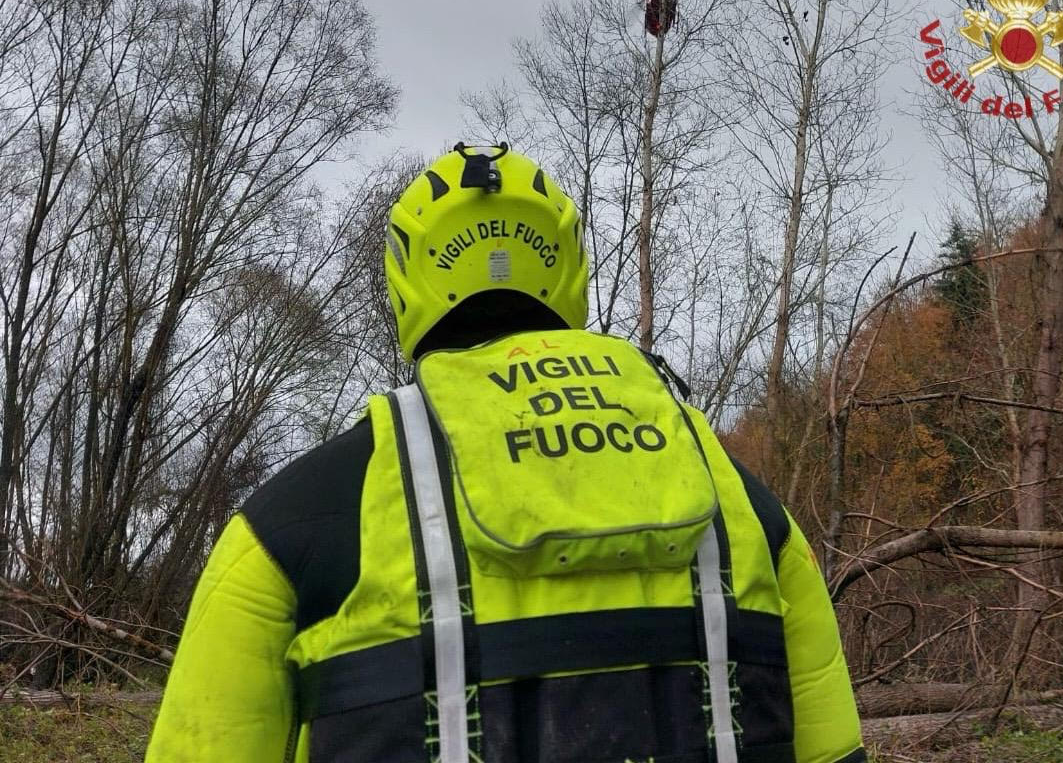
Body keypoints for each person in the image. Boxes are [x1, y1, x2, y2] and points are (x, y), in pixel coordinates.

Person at [145, 143, 865, 763]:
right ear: (570, 269)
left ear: (406, 282)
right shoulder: (741, 500)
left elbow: (202, 741)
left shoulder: (289, 520)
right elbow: (833, 744)